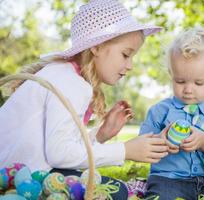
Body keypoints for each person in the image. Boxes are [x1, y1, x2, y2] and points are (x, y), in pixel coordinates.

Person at [0, 0, 169, 198]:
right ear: (96, 47)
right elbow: (59, 154)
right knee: (117, 191)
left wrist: (101, 135)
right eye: (125, 54)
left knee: (105, 186)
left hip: (17, 171)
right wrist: (124, 150)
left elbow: (58, 143)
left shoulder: (63, 74)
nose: (130, 65)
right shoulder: (72, 83)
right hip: (21, 177)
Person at [139, 27, 204, 200]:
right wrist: (162, 142)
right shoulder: (159, 111)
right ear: (171, 74)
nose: (188, 89)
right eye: (180, 81)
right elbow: (141, 147)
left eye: (198, 83)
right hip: (168, 180)